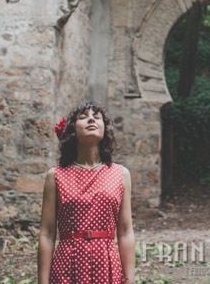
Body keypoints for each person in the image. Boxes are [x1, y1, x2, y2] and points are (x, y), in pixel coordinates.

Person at [38, 101, 135, 284]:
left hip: (107, 265)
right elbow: (47, 234)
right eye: (83, 117)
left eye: (96, 117)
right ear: (72, 130)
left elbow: (125, 232)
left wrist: (129, 281)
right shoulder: (55, 176)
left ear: (105, 128)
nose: (91, 119)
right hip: (67, 265)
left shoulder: (121, 174)